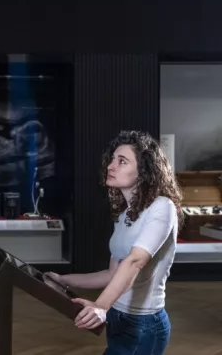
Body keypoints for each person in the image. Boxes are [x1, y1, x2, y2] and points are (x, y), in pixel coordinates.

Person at [46, 130, 183, 355]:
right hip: (117, 316)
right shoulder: (124, 215)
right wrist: (63, 280)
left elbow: (135, 261)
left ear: (144, 171)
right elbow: (112, 275)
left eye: (122, 161)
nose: (111, 166)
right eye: (112, 159)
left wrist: (100, 306)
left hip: (144, 324)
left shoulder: (162, 207)